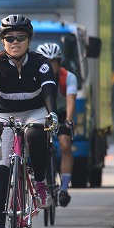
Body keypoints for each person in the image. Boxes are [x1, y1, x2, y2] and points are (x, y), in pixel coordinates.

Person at [0, 14, 58, 228]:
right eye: (9, 38)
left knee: (36, 135)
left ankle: (39, 182)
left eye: (21, 37)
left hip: (34, 111)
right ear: (2, 40)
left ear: (29, 39)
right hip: (4, 114)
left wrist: (52, 114)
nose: (14, 42)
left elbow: (49, 89)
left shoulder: (41, 62)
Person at [35, 42, 77, 207]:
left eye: (54, 61)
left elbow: (71, 101)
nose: (50, 65)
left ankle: (65, 188)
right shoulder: (35, 74)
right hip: (41, 112)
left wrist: (68, 120)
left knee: (65, 145)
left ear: (59, 62)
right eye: (46, 61)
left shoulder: (68, 77)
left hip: (61, 112)